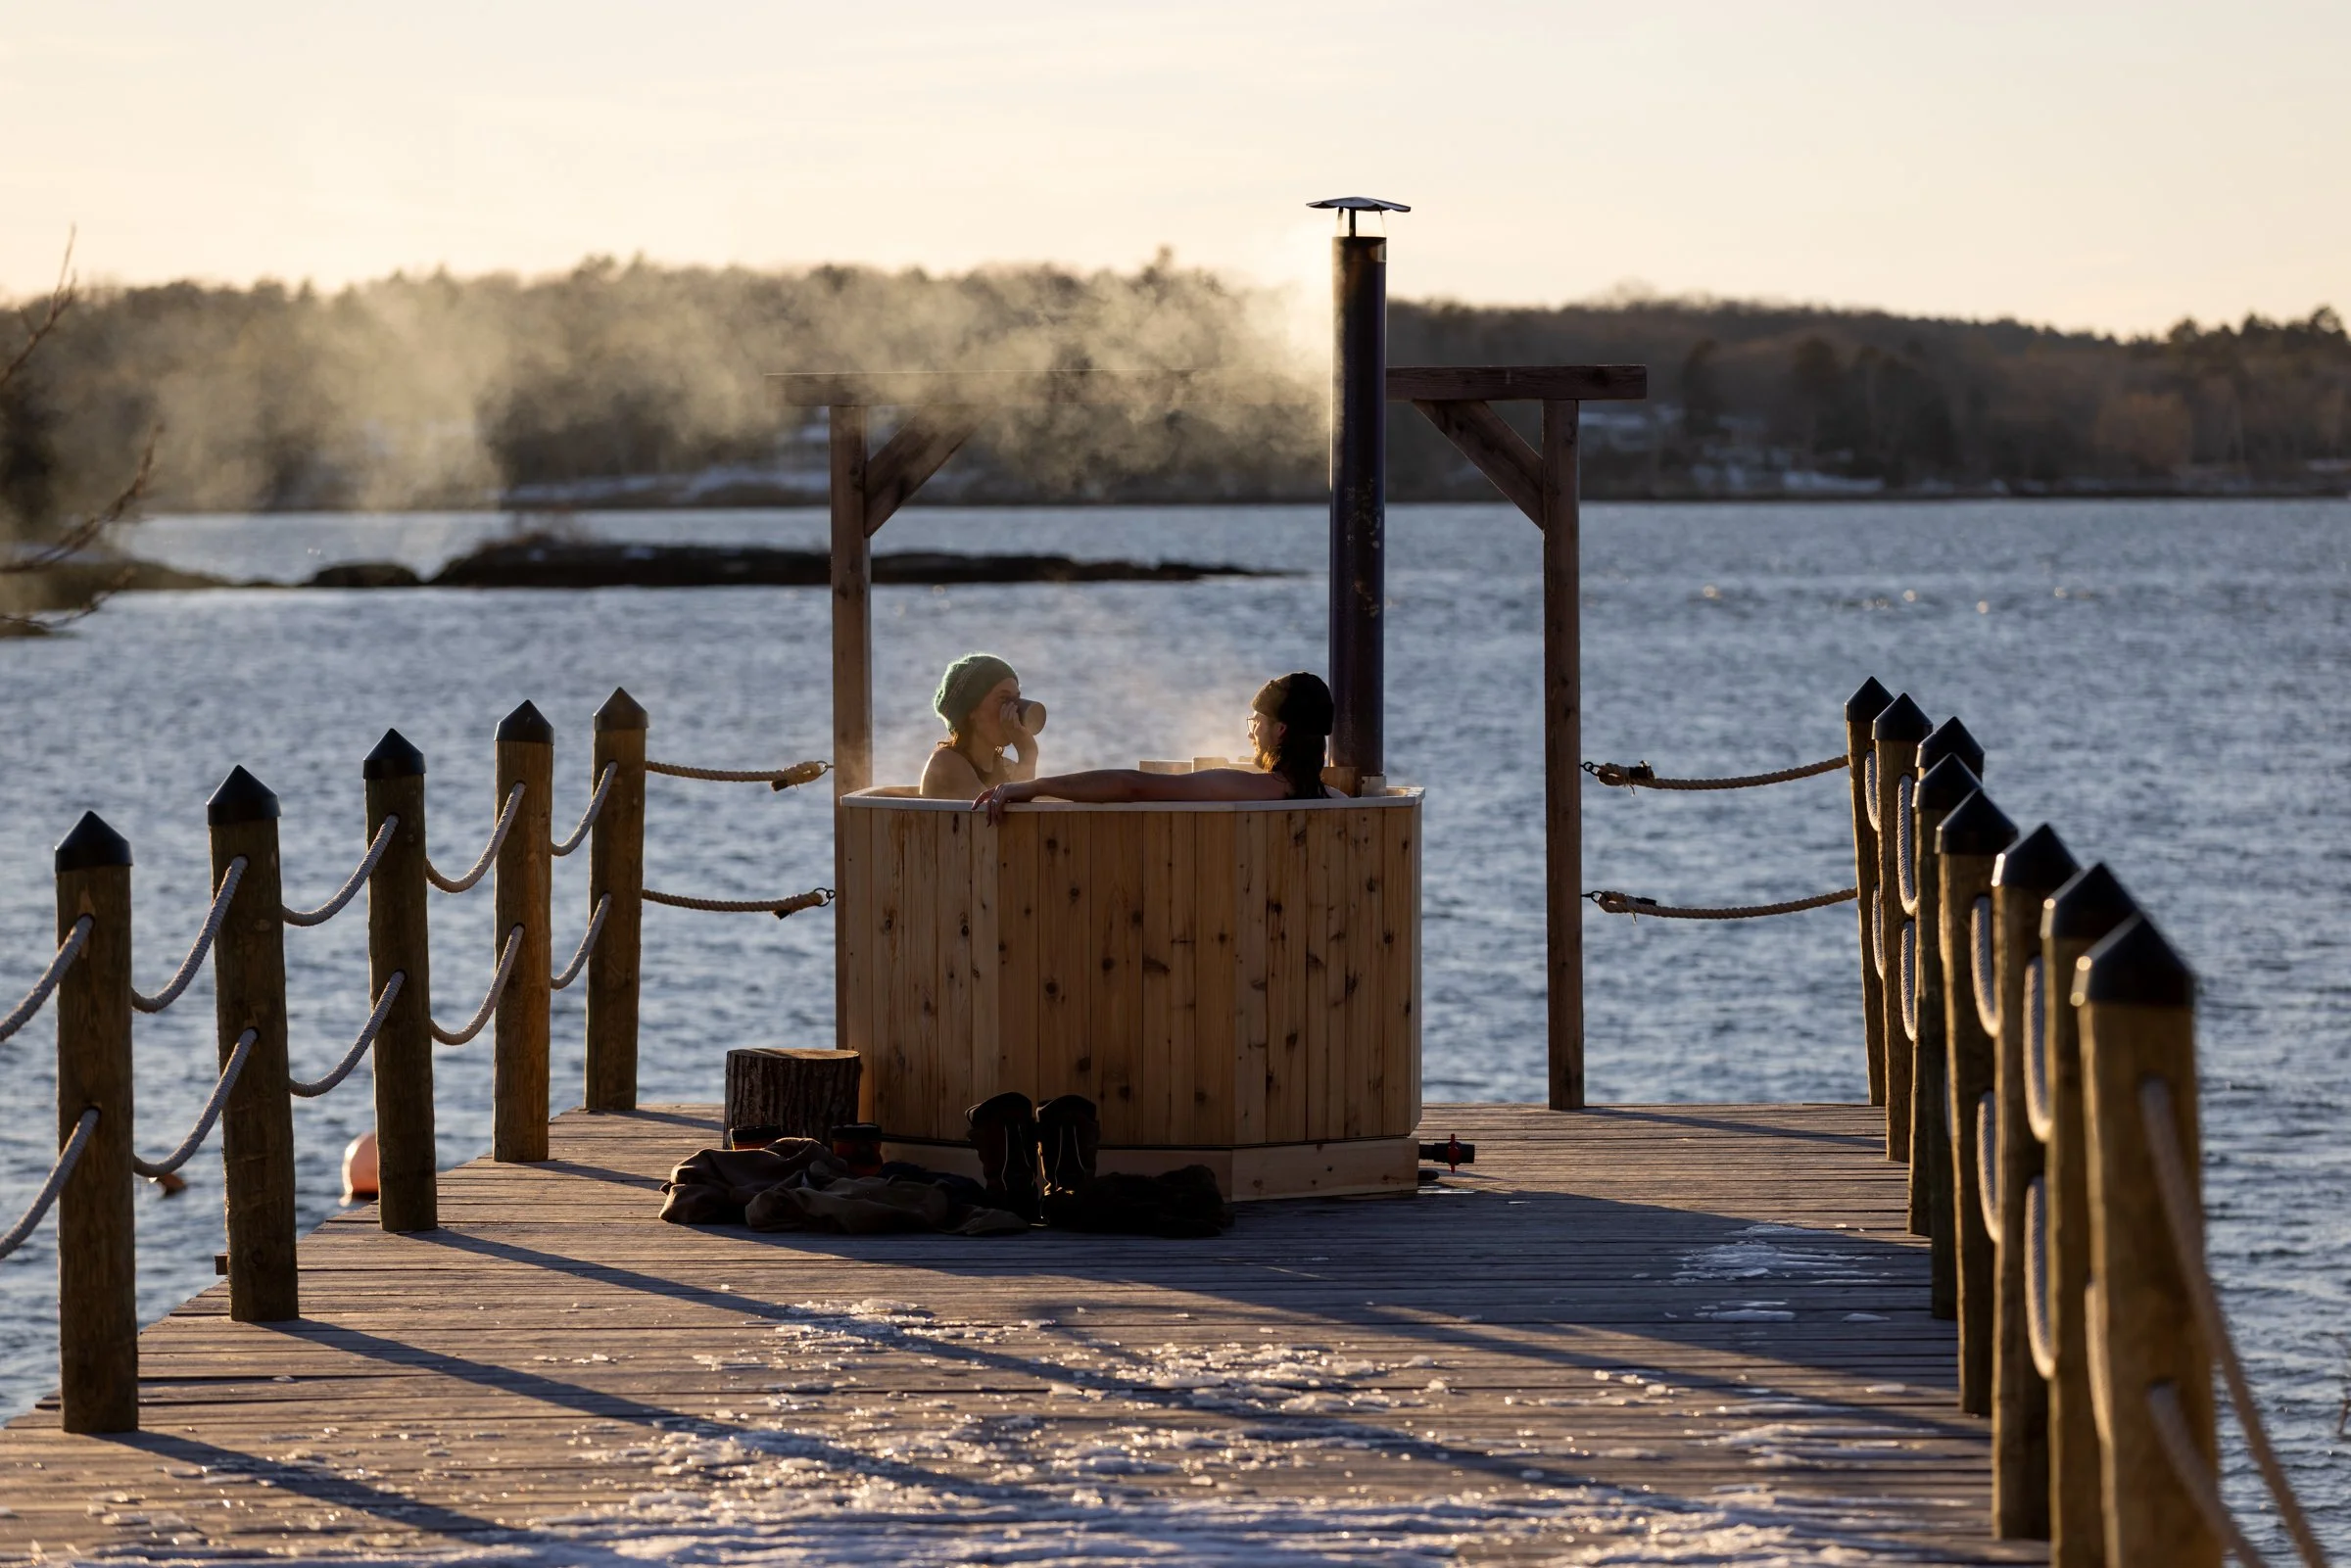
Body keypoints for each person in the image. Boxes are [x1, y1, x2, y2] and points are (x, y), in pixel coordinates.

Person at [974, 672, 1339, 824]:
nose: (1250, 735)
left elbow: (1133, 785)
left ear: (1281, 729)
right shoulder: (1334, 800)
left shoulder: (1257, 789)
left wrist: (1037, 786)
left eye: (1256, 723)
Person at [921, 653, 1046, 800]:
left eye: (1016, 699)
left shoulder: (1005, 767)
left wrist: (1029, 755)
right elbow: (999, 819)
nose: (1013, 710)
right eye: (1004, 699)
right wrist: (1026, 755)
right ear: (971, 710)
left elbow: (1025, 815)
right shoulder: (946, 763)